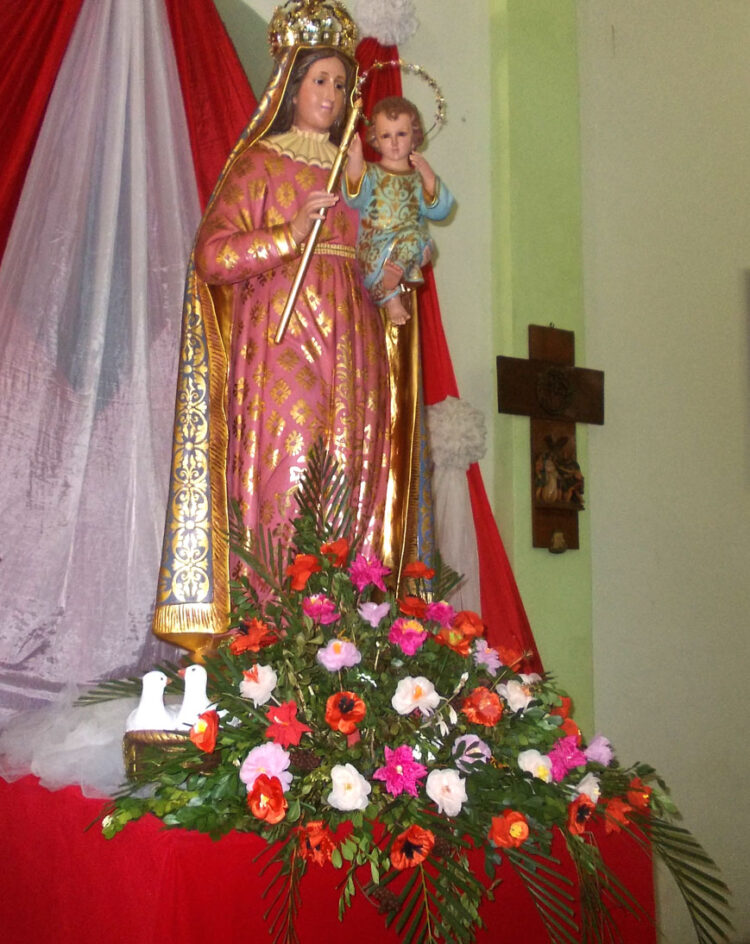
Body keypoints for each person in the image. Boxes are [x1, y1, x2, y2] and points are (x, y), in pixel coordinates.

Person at [152, 42, 393, 654]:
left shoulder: (358, 175)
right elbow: (212, 255)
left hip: (356, 341)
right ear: (291, 88)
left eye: (342, 85)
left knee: (354, 478)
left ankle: (348, 643)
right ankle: (275, 641)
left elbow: (386, 248)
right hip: (283, 340)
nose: (332, 96)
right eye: (320, 80)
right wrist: (289, 234)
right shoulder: (261, 163)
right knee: (290, 474)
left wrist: (392, 270)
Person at [343, 96, 455, 327]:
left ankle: (396, 273)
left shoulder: (416, 179)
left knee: (420, 238)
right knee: (400, 252)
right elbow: (354, 199)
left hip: (406, 252)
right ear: (375, 138)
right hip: (374, 246)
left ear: (414, 136)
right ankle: (390, 296)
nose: (394, 143)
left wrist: (428, 175)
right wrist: (355, 161)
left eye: (401, 134)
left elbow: (440, 211)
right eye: (386, 135)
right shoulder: (372, 173)